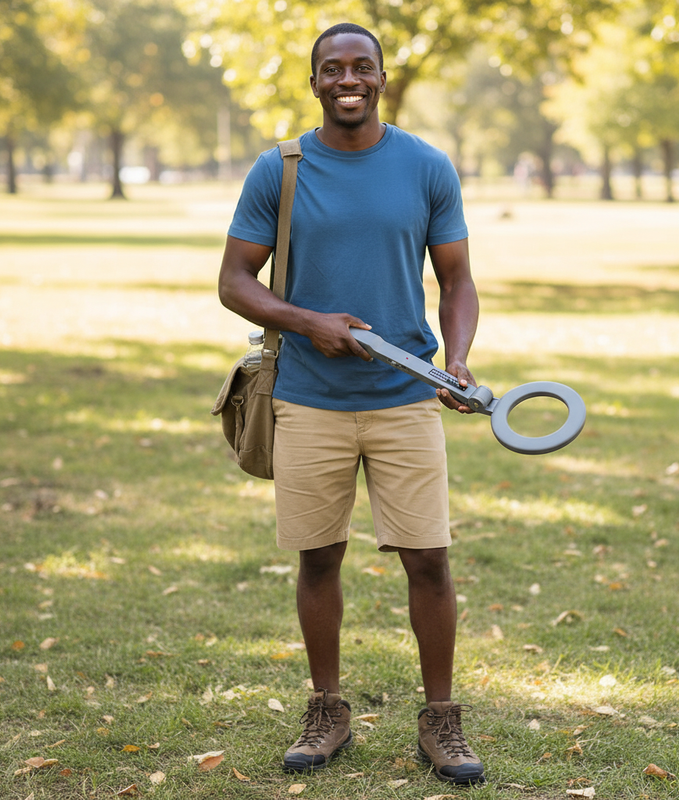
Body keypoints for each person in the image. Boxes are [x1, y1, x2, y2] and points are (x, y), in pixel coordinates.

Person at [218, 22, 485, 787]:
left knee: (429, 560)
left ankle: (442, 720)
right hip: (308, 398)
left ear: (380, 77)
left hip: (407, 397)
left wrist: (456, 358)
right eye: (332, 68)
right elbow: (235, 281)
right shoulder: (280, 170)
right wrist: (310, 324)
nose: (347, 79)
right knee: (319, 557)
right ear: (313, 83)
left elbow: (458, 278)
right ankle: (327, 710)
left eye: (361, 66)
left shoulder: (427, 167)